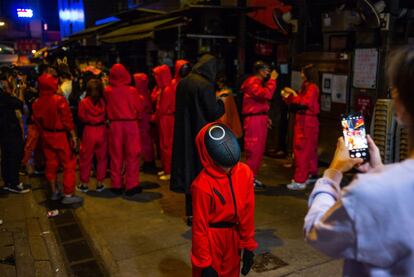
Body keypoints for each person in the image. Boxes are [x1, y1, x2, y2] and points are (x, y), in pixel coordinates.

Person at [304, 46, 414, 275]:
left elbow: (316, 231)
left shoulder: (370, 193)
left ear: (400, 106)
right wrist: (381, 171)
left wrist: (332, 174)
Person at [191, 123, 257, 277]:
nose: (228, 169)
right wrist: (204, 263)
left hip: (233, 236)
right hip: (212, 238)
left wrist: (248, 245)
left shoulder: (244, 172)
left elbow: (247, 211)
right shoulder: (202, 185)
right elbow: (199, 228)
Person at [171, 54, 225, 226]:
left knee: (189, 173)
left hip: (184, 134)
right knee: (203, 174)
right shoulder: (205, 85)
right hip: (201, 135)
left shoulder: (183, 83)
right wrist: (221, 103)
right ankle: (204, 214)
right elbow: (212, 112)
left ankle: (190, 214)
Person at [32, 73, 82, 204]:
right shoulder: (59, 100)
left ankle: (54, 191)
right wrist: (74, 136)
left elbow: (36, 122)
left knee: (51, 164)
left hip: (46, 136)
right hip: (60, 136)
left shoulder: (36, 102)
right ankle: (68, 194)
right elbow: (67, 120)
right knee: (69, 164)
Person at [104, 64, 143, 196]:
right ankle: (131, 185)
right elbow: (139, 108)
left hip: (115, 126)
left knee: (116, 156)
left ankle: (116, 184)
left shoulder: (108, 91)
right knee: (132, 155)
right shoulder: (132, 91)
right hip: (131, 125)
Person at [282, 64, 320, 190]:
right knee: (310, 150)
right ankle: (312, 173)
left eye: (303, 72)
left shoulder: (312, 87)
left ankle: (300, 180)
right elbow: (300, 101)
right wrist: (289, 96)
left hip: (306, 122)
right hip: (307, 121)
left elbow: (304, 102)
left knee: (302, 151)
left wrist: (292, 93)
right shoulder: (308, 86)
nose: (301, 74)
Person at [241, 61, 278, 188]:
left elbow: (259, 102)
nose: (268, 72)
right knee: (254, 150)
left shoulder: (256, 82)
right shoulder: (252, 82)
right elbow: (265, 95)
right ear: (260, 71)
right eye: (267, 69)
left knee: (258, 150)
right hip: (254, 121)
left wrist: (265, 116)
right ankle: (249, 179)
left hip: (258, 119)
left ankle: (252, 177)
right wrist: (272, 80)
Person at [0, 68, 30, 193]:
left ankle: (8, 182)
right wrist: (21, 90)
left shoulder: (4, 93)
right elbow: (19, 104)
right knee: (14, 155)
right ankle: (14, 183)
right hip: (9, 129)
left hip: (4, 129)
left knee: (7, 156)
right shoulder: (3, 95)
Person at [77, 79, 107, 192]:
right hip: (102, 130)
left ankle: (84, 184)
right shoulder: (103, 102)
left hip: (89, 130)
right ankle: (100, 183)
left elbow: (81, 117)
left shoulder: (84, 103)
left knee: (86, 158)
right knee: (102, 158)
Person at [153, 65, 175, 181]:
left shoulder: (166, 90)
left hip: (166, 120)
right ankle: (166, 168)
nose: (156, 78)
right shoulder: (165, 88)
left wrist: (154, 117)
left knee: (166, 145)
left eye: (157, 75)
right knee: (164, 145)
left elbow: (162, 109)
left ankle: (169, 171)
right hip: (165, 119)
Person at [133, 73, 157, 174]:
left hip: (142, 122)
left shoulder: (140, 95)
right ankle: (149, 162)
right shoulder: (145, 92)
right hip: (146, 122)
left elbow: (139, 111)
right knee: (147, 143)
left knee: (145, 144)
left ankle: (148, 163)